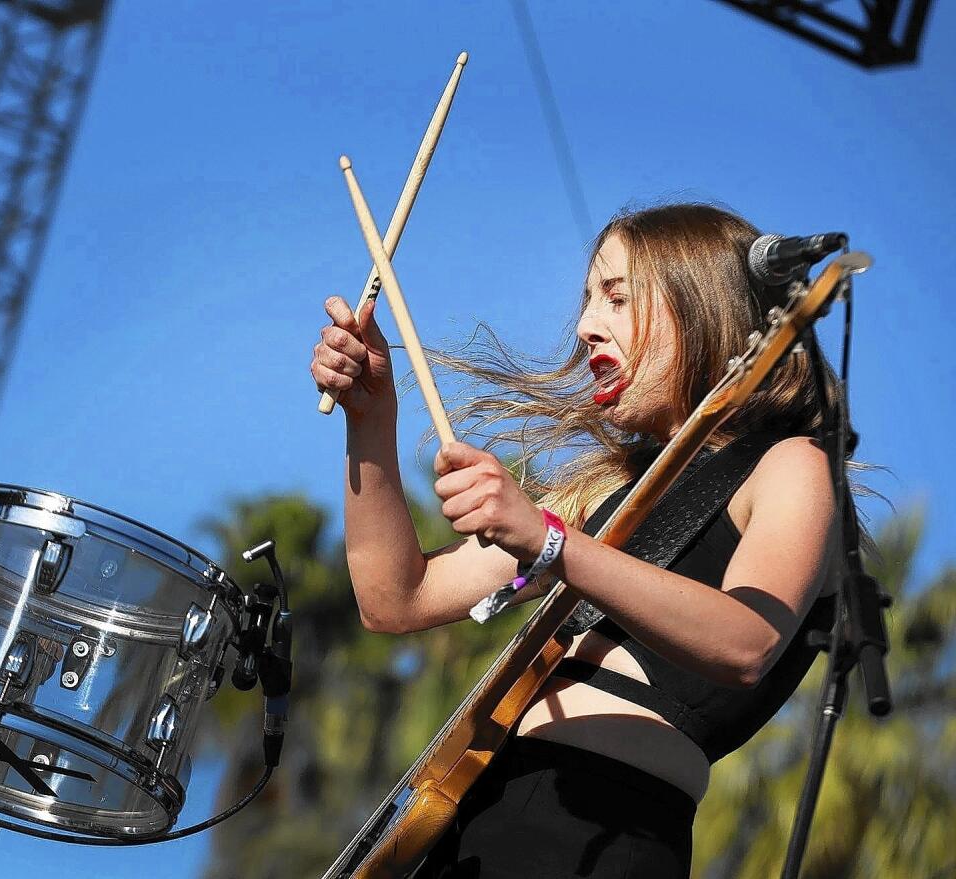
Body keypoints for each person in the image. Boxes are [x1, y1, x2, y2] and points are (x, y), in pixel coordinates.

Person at [309, 203, 842, 878]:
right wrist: (371, 417)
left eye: (617, 298)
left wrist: (551, 542)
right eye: (589, 301)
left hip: (601, 831)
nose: (587, 326)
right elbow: (394, 596)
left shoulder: (791, 464)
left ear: (704, 303)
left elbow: (747, 641)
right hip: (480, 816)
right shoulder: (601, 497)